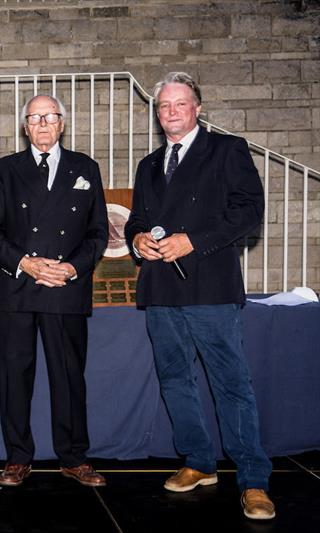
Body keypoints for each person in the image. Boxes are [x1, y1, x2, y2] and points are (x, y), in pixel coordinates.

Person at [125, 72, 274, 520]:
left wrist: (193, 240)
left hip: (210, 286)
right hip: (160, 288)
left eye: (179, 104)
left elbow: (249, 211)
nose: (170, 112)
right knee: (175, 381)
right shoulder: (149, 164)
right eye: (163, 106)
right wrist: (136, 242)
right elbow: (136, 219)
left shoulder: (227, 150)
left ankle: (253, 479)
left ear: (198, 108)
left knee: (231, 385)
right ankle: (198, 461)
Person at [0, 95, 109, 488]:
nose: (42, 123)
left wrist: (70, 268)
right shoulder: (5, 169)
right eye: (34, 117)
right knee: (15, 376)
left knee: (69, 377)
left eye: (50, 116)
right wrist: (25, 263)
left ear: (62, 124)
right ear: (25, 126)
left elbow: (98, 232)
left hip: (65, 288)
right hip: (20, 286)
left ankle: (74, 456)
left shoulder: (85, 167)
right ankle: (18, 457)